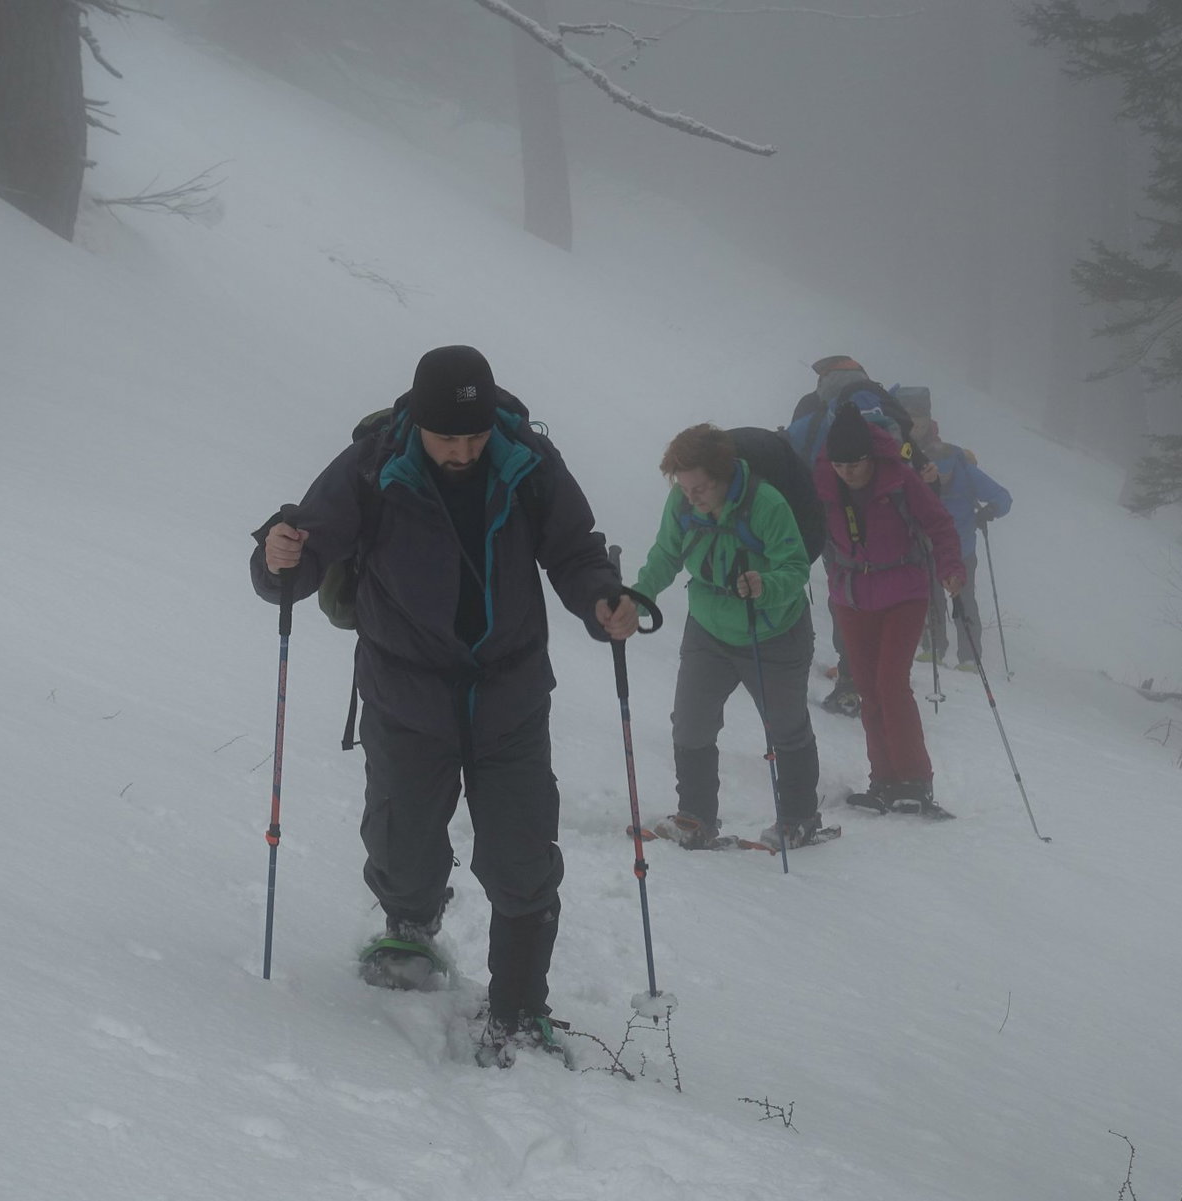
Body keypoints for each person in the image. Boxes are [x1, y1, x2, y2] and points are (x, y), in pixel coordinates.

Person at [249, 345, 640, 1067]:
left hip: (510, 691)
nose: (461, 451)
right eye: (447, 437)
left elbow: (575, 550)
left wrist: (603, 600)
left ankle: (520, 1008)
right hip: (405, 687)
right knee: (403, 832)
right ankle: (410, 922)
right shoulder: (373, 464)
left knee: (522, 849)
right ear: (420, 424)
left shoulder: (528, 461)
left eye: (473, 435)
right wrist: (277, 558)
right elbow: (303, 549)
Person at [629, 425, 823, 850]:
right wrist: (637, 600)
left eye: (699, 488)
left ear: (723, 476)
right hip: (709, 627)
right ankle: (695, 817)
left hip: (772, 630)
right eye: (684, 487)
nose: (691, 496)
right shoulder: (682, 502)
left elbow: (795, 566)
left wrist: (764, 585)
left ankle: (799, 817)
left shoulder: (766, 503)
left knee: (785, 727)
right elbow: (666, 554)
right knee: (691, 723)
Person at [815, 403, 964, 815]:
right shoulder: (823, 480)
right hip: (851, 594)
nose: (847, 471)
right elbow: (807, 531)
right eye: (840, 463)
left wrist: (951, 568)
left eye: (855, 464)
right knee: (867, 687)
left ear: (870, 455)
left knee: (891, 683)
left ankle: (915, 780)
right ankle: (883, 779)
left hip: (904, 590)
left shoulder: (900, 479)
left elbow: (939, 523)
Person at [785, 356, 919, 719]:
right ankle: (880, 680)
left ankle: (851, 682)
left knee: (847, 596)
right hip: (890, 525)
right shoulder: (884, 408)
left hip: (836, 523)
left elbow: (789, 450)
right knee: (881, 598)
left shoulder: (823, 414)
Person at [913, 418, 1012, 671]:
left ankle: (966, 656)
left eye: (945, 475)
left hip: (961, 550)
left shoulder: (966, 471)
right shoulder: (921, 470)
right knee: (933, 598)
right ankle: (936, 648)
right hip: (930, 546)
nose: (941, 480)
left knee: (962, 599)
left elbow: (1003, 497)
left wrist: (989, 511)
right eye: (938, 475)